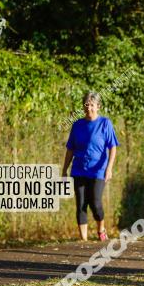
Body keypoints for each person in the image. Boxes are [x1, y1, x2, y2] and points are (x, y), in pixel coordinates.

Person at [62, 91, 119, 241]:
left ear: (98, 106)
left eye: (92, 105)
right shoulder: (77, 125)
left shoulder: (105, 123)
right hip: (79, 169)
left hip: (98, 171)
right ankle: (84, 241)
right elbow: (70, 149)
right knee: (81, 204)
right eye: (86, 105)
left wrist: (109, 168)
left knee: (95, 203)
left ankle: (101, 228)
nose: (89, 108)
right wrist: (64, 169)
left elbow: (113, 147)